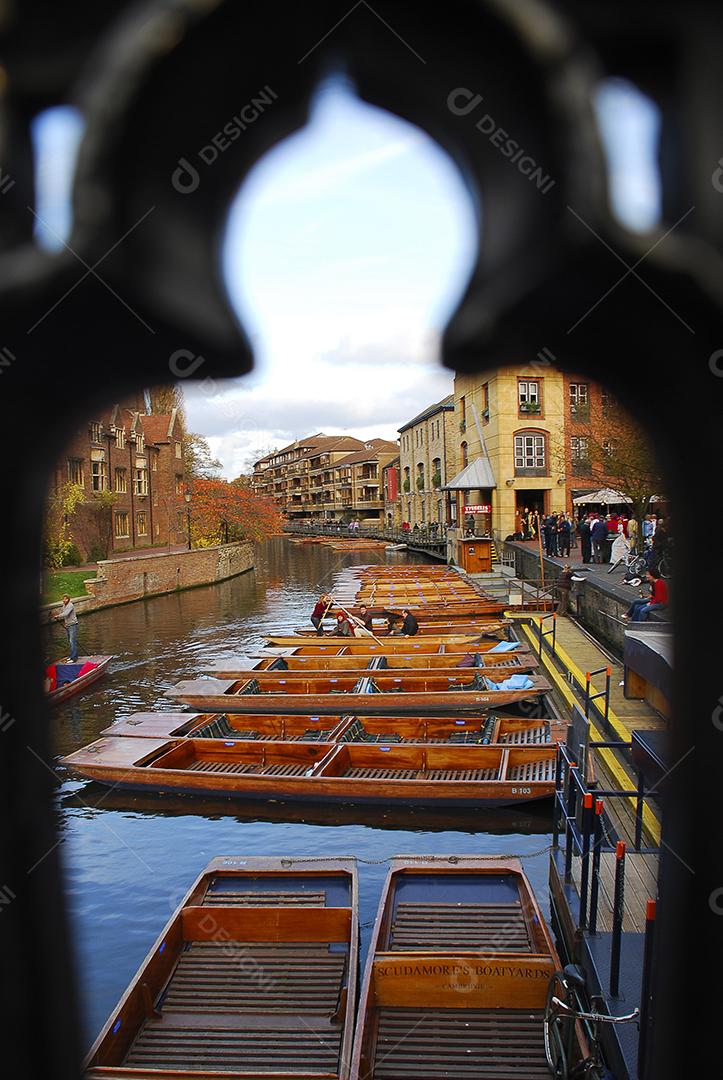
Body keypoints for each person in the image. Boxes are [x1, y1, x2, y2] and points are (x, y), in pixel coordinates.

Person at [55, 594, 79, 662]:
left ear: (68, 599)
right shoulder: (64, 605)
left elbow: (66, 614)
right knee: (70, 641)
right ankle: (72, 656)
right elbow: (65, 615)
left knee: (72, 642)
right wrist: (66, 623)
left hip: (73, 625)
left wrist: (58, 616)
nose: (64, 600)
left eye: (66, 599)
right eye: (63, 599)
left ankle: (74, 658)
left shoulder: (70, 605)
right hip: (68, 625)